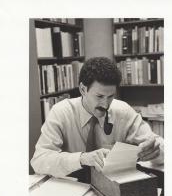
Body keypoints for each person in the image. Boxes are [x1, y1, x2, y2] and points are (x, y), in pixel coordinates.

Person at [31, 57, 164, 182]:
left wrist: (157, 152)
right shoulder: (61, 112)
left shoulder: (123, 111)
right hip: (73, 187)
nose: (106, 105)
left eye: (111, 96)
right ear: (83, 89)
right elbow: (39, 160)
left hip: (112, 186)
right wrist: (82, 158)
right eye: (99, 96)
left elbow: (159, 146)